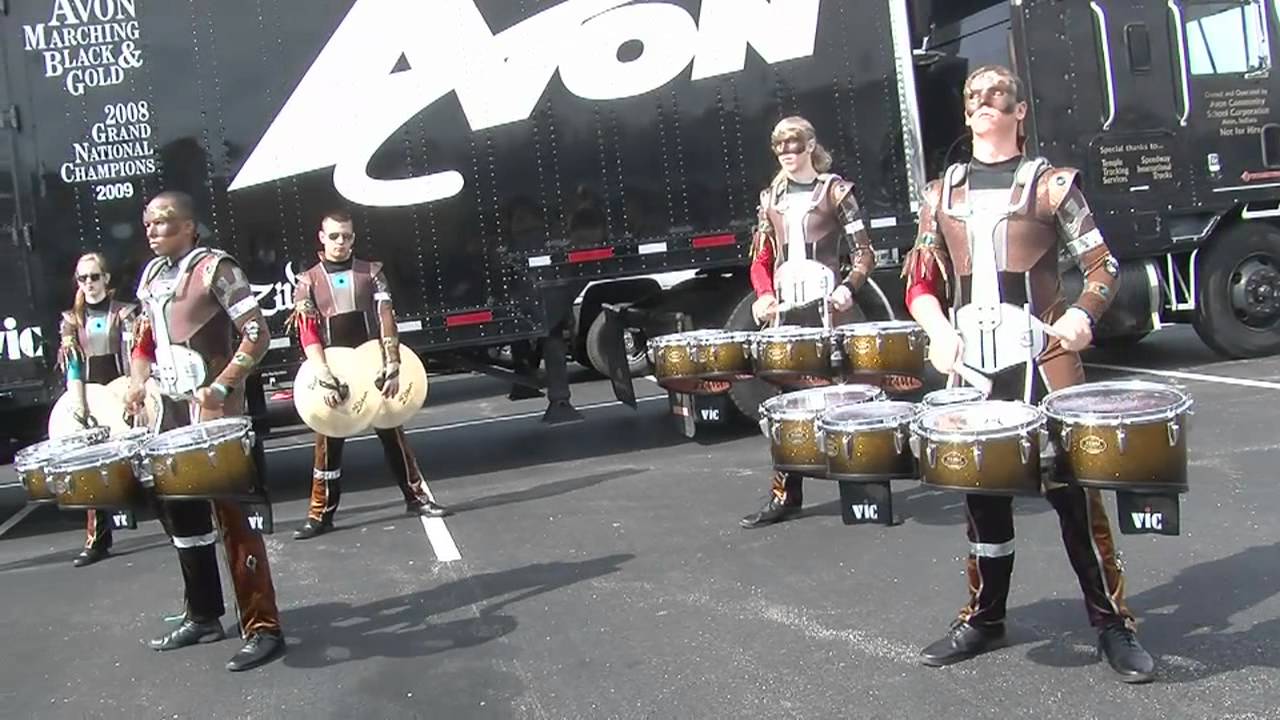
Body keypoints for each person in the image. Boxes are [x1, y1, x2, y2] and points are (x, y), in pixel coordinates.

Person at [902, 65, 1154, 682]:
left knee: (1074, 494)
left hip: (1043, 358)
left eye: (998, 96)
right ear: (965, 114)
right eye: (974, 97)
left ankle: (1112, 623)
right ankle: (985, 616)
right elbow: (919, 279)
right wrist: (936, 329)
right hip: (974, 367)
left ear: (1019, 112)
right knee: (982, 498)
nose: (984, 103)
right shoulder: (942, 194)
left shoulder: (1052, 186)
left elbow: (1101, 265)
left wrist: (1079, 315)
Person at [126, 190, 285, 672]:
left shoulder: (217, 269)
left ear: (190, 226)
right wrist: (137, 382)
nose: (153, 230)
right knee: (183, 516)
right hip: (169, 413)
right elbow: (144, 339)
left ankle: (262, 626)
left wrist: (221, 387)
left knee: (234, 518)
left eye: (164, 222)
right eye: (148, 223)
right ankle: (203, 615)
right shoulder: (152, 277)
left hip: (216, 415)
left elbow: (257, 333)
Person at [739, 116, 876, 529]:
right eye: (780, 147)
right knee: (784, 407)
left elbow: (864, 252)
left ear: (811, 146)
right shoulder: (771, 200)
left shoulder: (837, 191)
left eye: (795, 146)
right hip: (787, 316)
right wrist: (763, 295)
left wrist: (848, 287)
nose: (788, 154)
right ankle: (785, 493)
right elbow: (761, 258)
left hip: (830, 312)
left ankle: (862, 492)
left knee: (844, 401)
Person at [287, 209, 451, 540]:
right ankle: (320, 514)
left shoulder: (372, 272)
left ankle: (417, 498)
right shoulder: (308, 280)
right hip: (334, 370)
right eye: (334, 235)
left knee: (393, 434)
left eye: (346, 235)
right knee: (327, 443)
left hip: (371, 364)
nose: (340, 242)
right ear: (322, 237)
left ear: (354, 237)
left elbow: (386, 316)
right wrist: (322, 373)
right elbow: (308, 333)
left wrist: (391, 364)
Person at [55, 252, 138, 567]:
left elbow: (133, 356)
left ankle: (174, 527)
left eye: (94, 276)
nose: (88, 283)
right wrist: (78, 400)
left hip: (121, 391)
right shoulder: (71, 321)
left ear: (106, 278)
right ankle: (97, 540)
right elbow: (73, 366)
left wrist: (131, 392)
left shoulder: (125, 313)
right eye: (82, 278)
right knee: (92, 469)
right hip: (90, 398)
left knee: (139, 464)